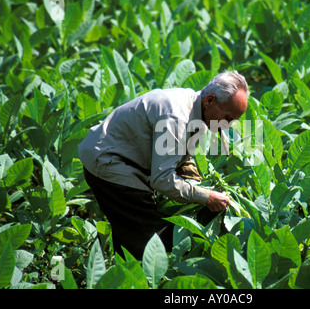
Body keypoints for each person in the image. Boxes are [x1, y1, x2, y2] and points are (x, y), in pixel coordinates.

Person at [78, 70, 249, 259]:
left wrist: (198, 182)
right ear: (210, 100)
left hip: (124, 157)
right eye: (227, 118)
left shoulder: (199, 110)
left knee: (130, 229)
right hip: (107, 159)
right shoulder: (177, 117)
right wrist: (206, 196)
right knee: (151, 238)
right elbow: (162, 179)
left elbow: (181, 155)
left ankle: (109, 266)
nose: (228, 125)